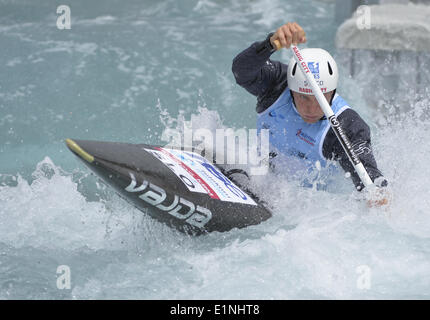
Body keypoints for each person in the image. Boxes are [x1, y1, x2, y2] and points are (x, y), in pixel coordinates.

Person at [232, 22, 389, 207]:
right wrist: (270, 44)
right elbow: (241, 71)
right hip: (260, 179)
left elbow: (367, 171)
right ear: (291, 90)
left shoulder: (345, 126)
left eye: (321, 98)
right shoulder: (276, 86)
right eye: (304, 98)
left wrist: (378, 193)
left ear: (333, 91)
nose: (312, 108)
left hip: (301, 208)